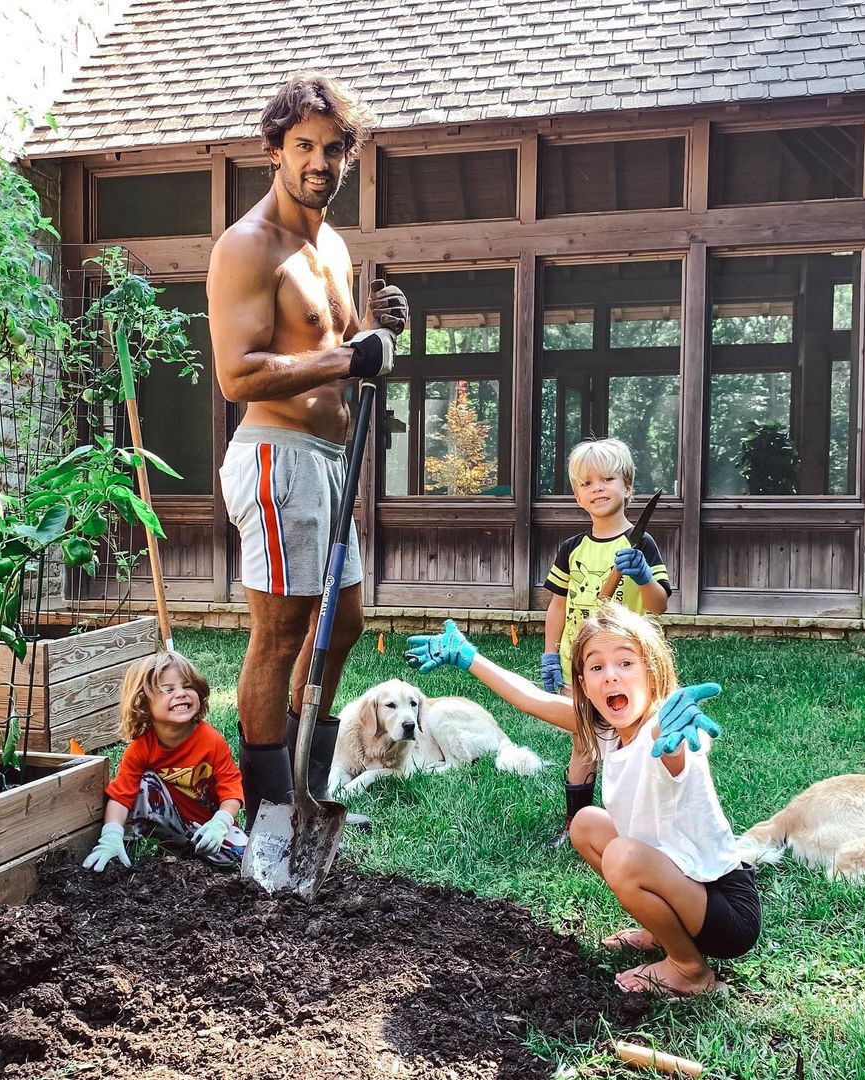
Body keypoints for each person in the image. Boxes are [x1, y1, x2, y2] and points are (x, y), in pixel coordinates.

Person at [207, 71, 408, 829]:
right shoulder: (248, 247)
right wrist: (348, 357)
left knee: (344, 623)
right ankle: (266, 817)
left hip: (330, 461)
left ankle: (304, 788)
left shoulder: (333, 246)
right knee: (281, 632)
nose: (319, 163)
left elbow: (339, 338)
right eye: (303, 147)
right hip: (276, 455)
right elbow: (238, 373)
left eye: (333, 151)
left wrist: (379, 324)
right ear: (274, 151)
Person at [404, 606, 759, 998]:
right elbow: (530, 699)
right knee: (586, 824)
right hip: (681, 885)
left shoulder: (664, 728)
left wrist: (677, 733)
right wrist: (470, 658)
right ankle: (661, 932)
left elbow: (677, 756)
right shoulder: (606, 730)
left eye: (625, 662)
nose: (610, 674)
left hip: (726, 910)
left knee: (623, 854)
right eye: (596, 667)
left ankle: (689, 969)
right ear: (584, 686)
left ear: (653, 673)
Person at [541, 437, 671, 846]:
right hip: (579, 665)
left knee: (626, 744)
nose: (596, 488)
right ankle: (575, 825)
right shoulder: (571, 549)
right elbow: (557, 607)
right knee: (584, 741)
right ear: (578, 496)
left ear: (627, 488)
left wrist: (643, 576)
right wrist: (550, 655)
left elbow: (660, 605)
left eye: (607, 479)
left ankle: (631, 822)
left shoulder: (640, 544)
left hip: (626, 667)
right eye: (586, 482)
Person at [83, 651, 247, 872]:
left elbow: (232, 789)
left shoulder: (211, 741)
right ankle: (128, 846)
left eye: (188, 686)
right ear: (143, 703)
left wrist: (220, 823)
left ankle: (196, 849)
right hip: (169, 825)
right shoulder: (141, 748)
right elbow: (121, 797)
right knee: (144, 782)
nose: (181, 694)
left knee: (240, 859)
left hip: (208, 828)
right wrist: (110, 835)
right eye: (168, 690)